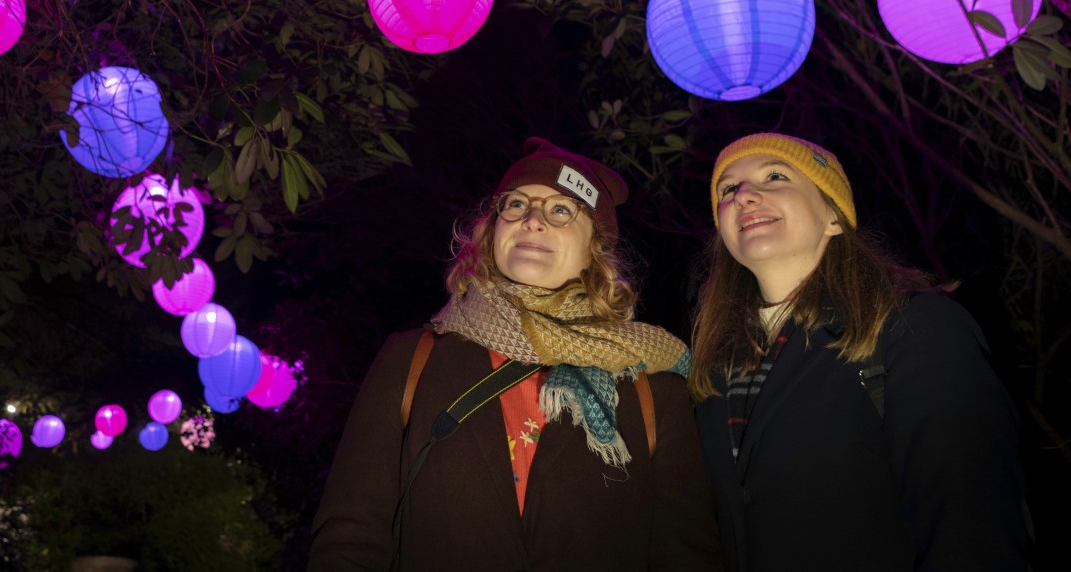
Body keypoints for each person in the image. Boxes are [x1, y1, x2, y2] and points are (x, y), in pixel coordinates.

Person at [310, 138, 721, 570]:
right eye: (517, 204)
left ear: (594, 251)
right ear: (492, 234)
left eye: (561, 210)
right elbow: (351, 533)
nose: (532, 221)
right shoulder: (412, 359)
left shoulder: (652, 386)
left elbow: (686, 553)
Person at [690, 132, 1027, 571]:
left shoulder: (913, 326)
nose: (745, 196)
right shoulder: (712, 371)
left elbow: (972, 520)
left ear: (833, 215)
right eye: (727, 189)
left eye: (775, 176)